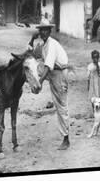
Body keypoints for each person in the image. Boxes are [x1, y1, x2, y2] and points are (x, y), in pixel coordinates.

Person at [28, 21, 70, 150]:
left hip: (59, 75)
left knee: (62, 107)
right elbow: (32, 56)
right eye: (41, 31)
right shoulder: (43, 44)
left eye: (46, 30)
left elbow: (47, 66)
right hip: (52, 73)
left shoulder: (52, 44)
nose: (43, 32)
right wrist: (31, 39)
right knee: (30, 64)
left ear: (50, 31)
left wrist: (39, 83)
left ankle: (66, 139)